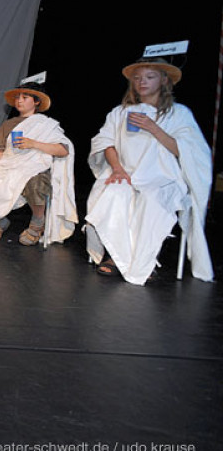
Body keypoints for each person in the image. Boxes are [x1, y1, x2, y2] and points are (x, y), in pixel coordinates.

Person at [84, 57, 212, 284]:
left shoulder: (179, 114)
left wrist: (153, 128)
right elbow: (105, 142)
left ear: (164, 80)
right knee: (114, 194)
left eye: (149, 77)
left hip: (162, 177)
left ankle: (146, 259)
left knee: (152, 202)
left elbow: (186, 151)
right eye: (137, 77)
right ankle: (115, 257)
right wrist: (117, 169)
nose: (142, 82)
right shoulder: (120, 112)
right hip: (124, 171)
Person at [0, 81, 77, 245]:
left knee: (35, 182)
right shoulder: (8, 124)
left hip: (34, 167)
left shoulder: (46, 124)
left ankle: (37, 223)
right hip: (9, 165)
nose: (19, 100)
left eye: (25, 97)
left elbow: (63, 150)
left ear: (36, 102)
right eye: (17, 97)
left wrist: (34, 144)